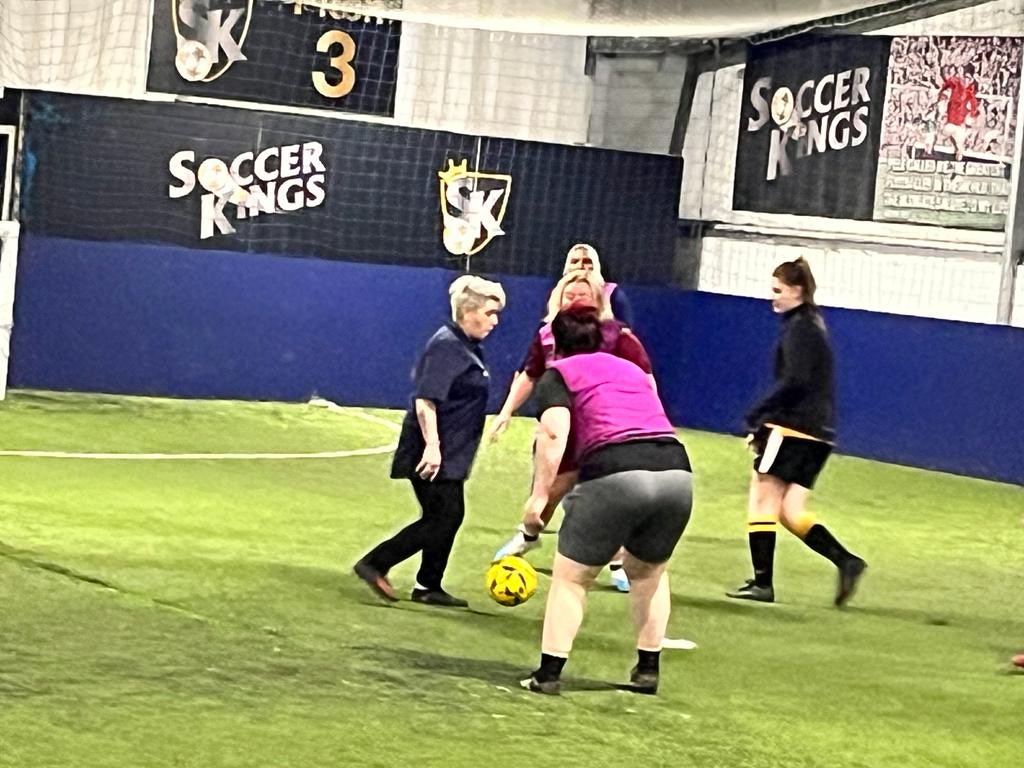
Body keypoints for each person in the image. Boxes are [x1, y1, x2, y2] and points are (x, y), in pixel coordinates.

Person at [518, 305, 693, 695]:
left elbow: (554, 437)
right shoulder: (631, 370)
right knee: (649, 573)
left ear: (556, 345)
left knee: (573, 577)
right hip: (676, 471)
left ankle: (548, 674)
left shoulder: (558, 374)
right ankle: (647, 670)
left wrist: (538, 499)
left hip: (616, 471)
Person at [488, 270, 656, 590]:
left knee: (611, 500)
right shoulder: (548, 336)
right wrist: (506, 411)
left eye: (582, 295)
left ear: (598, 300)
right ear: (557, 298)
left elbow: (645, 378)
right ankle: (527, 537)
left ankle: (617, 563)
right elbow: (529, 373)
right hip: (560, 424)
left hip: (606, 430)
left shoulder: (619, 336)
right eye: (569, 295)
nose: (575, 300)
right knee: (548, 492)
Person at [353, 275, 505, 607]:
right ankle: (376, 563)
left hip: (451, 450)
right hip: (433, 449)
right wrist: (433, 447)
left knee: (447, 515)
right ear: (468, 310)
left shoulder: (465, 345)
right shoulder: (448, 345)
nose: (495, 321)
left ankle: (428, 586)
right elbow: (426, 400)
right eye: (490, 312)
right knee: (443, 517)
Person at [727, 258, 867, 607]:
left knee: (762, 497)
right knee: (790, 509)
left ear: (797, 291)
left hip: (794, 427)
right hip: (820, 432)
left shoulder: (800, 329)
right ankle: (846, 561)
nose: (772, 298)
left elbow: (796, 382)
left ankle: (762, 583)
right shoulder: (813, 325)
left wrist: (758, 415)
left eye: (777, 291)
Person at [563, 243, 634, 327]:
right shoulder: (558, 293)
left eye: (587, 261)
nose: (580, 266)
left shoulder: (613, 293)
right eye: (574, 261)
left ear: (595, 265)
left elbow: (625, 327)